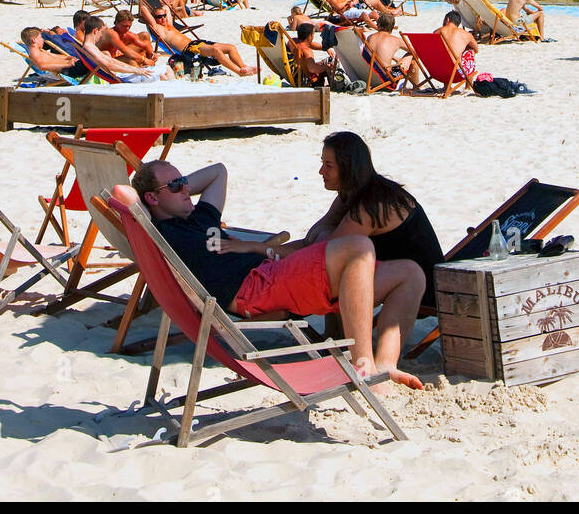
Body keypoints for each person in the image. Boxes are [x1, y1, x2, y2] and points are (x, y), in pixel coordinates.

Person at [129, 158, 424, 391]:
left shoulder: (199, 217)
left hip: (272, 275)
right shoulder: (165, 232)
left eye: (185, 183)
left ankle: (385, 365)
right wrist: (158, 194)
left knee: (411, 273)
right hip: (254, 290)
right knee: (358, 246)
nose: (185, 189)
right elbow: (124, 194)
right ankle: (363, 365)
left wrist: (174, 189)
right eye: (176, 185)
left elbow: (219, 171)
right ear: (151, 199)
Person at [300, 132, 444, 309]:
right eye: (322, 163)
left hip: (422, 289)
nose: (321, 171)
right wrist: (261, 248)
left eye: (328, 165)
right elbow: (311, 240)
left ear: (348, 168)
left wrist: (320, 234)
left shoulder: (372, 205)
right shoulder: (354, 194)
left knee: (334, 277)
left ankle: (338, 334)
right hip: (396, 275)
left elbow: (322, 255)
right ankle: (334, 333)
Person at [139, 1, 256, 76]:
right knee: (216, 51)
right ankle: (239, 72)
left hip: (196, 43)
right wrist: (151, 9)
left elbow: (166, 8)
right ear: (154, 18)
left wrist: (162, 6)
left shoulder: (169, 24)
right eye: (159, 16)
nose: (163, 18)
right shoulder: (157, 27)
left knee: (231, 47)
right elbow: (143, 8)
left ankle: (244, 67)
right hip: (189, 49)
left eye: (164, 15)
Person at [81, 16, 174, 80]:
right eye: (101, 32)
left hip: (121, 73)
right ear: (95, 31)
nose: (101, 35)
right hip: (120, 76)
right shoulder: (90, 48)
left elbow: (110, 61)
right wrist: (135, 69)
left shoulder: (89, 47)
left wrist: (137, 68)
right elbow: (109, 64)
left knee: (165, 71)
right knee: (165, 72)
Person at [366, 12, 419, 88]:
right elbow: (415, 52)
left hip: (370, 77)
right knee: (412, 56)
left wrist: (395, 58)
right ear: (392, 27)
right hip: (386, 80)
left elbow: (376, 55)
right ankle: (416, 86)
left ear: (378, 25)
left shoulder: (370, 37)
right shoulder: (396, 40)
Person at [437, 8, 478, 77]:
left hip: (437, 71)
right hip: (456, 73)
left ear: (447, 20)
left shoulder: (436, 32)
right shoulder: (465, 34)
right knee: (470, 50)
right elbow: (476, 49)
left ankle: (446, 85)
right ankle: (468, 86)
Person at [292, 22, 335, 86]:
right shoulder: (307, 51)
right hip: (308, 80)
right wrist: (327, 67)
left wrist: (326, 48)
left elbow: (311, 44)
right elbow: (312, 69)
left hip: (297, 76)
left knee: (325, 62)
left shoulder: (294, 42)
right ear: (310, 36)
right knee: (331, 63)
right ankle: (334, 85)